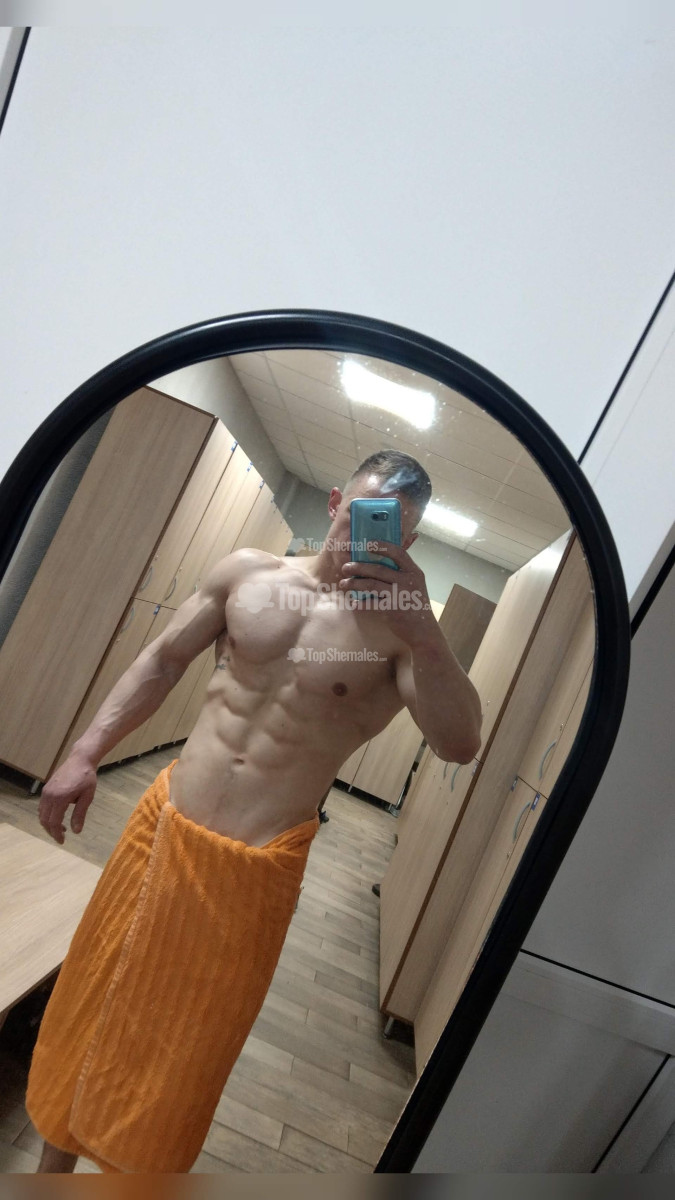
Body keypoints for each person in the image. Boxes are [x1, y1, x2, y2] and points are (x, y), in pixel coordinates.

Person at [28, 448, 482, 1174]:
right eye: (361, 513)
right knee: (98, 993)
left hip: (253, 870)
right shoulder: (249, 573)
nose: (366, 536)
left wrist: (427, 632)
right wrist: (85, 752)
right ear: (335, 502)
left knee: (186, 1048)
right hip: (163, 827)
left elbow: (459, 743)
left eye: (390, 528)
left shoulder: (402, 637)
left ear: (410, 540)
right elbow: (163, 660)